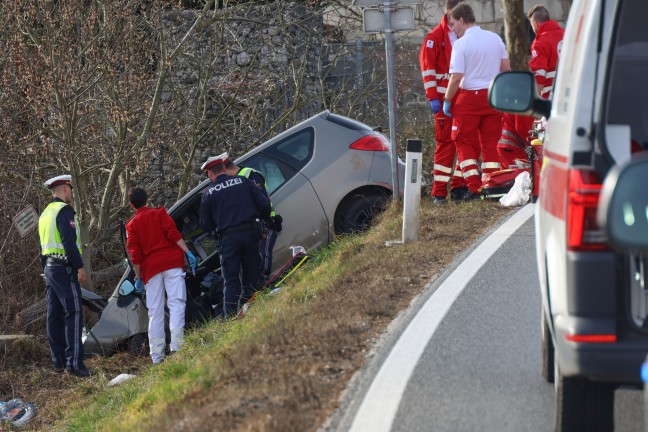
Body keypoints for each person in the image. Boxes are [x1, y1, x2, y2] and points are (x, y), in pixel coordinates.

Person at [443, 3, 511, 200]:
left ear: (462, 21)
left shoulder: (461, 44)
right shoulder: (495, 38)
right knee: (490, 144)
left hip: (469, 98)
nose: (453, 28)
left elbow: (456, 77)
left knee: (462, 141)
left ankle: (474, 188)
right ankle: (492, 186)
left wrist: (447, 100)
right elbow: (506, 70)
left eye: (453, 23)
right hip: (493, 97)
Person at [125, 187, 197, 364]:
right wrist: (187, 252)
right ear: (148, 199)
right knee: (176, 303)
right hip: (172, 263)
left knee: (155, 312)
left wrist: (138, 276)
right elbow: (173, 234)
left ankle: (156, 356)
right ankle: (177, 346)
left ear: (131, 205)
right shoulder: (160, 213)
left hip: (151, 271)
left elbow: (135, 254)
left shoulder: (131, 226)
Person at [199, 152, 271, 317]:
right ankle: (254, 309)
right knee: (251, 275)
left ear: (210, 174)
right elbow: (264, 205)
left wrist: (215, 232)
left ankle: (231, 318)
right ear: (224, 167)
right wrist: (265, 221)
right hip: (251, 234)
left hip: (228, 240)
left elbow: (205, 224)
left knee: (231, 281)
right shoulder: (244, 181)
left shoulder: (208, 194)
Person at [38, 175, 90, 377]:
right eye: (70, 190)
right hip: (64, 268)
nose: (71, 194)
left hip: (50, 269)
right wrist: (79, 267)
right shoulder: (64, 211)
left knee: (54, 315)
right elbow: (69, 242)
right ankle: (75, 365)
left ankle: (58, 362)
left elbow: (42, 246)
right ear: (65, 190)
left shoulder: (45, 214)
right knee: (74, 313)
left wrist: (46, 270)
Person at [419, 0, 467, 203]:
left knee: (465, 144)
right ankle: (439, 192)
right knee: (446, 145)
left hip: (463, 98)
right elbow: (428, 71)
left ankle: (459, 188)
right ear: (448, 11)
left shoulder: (462, 33)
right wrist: (433, 98)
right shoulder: (434, 37)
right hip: (444, 100)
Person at [224, 157, 283, 284]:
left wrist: (268, 219)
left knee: (263, 255)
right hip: (252, 226)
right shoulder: (234, 180)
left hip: (264, 223)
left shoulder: (250, 175)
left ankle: (263, 282)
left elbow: (263, 201)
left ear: (228, 168)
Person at [527, 4, 565, 99]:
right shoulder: (567, 33)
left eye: (531, 25)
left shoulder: (539, 42)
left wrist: (530, 98)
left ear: (535, 24)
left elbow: (539, 76)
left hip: (551, 99)